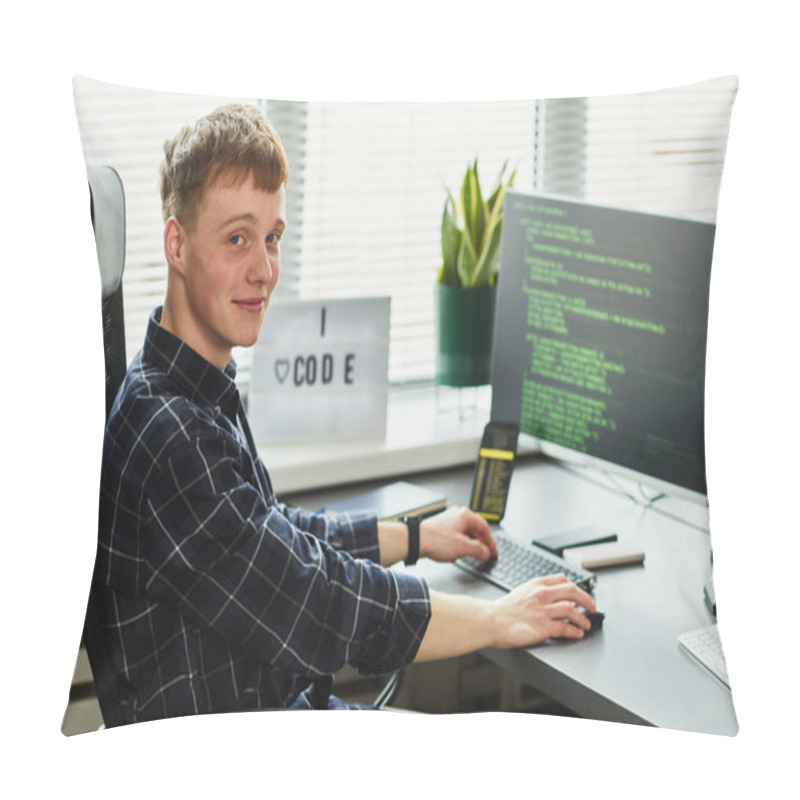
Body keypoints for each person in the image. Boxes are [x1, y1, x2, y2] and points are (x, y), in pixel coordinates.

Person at [92, 103, 596, 725]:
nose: (264, 270)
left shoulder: (187, 388)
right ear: (177, 243)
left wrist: (414, 536)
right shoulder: (171, 435)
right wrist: (498, 617)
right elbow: (317, 601)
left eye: (272, 237)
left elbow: (269, 536)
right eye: (237, 239)